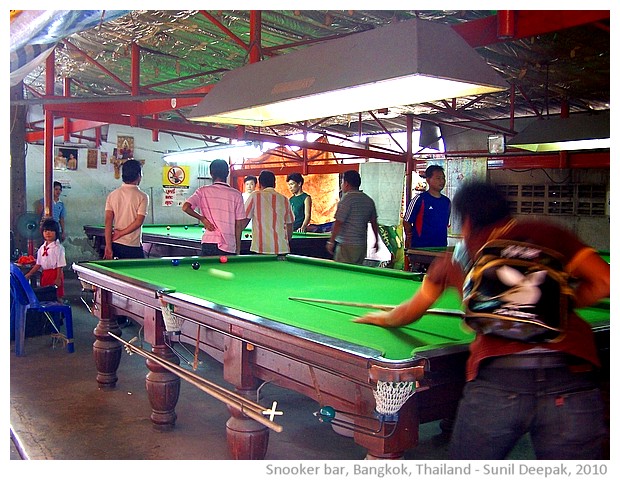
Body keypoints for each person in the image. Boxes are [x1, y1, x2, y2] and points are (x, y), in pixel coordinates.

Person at [354, 181, 610, 460]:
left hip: (500, 381)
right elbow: (605, 282)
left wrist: (382, 319)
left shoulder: (461, 256)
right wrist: (555, 304)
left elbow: (410, 312)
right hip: (572, 378)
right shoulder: (550, 233)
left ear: (466, 221)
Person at [182, 159, 246, 256]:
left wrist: (202, 219)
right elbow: (238, 225)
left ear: (211, 173)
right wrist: (238, 249)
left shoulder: (202, 191)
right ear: (227, 173)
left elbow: (186, 207)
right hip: (228, 245)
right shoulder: (236, 195)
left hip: (209, 242)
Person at [326, 170, 379, 265]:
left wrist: (331, 241)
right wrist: (376, 240)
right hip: (362, 246)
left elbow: (339, 222)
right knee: (356, 272)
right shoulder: (368, 200)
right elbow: (374, 222)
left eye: (342, 182)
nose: (341, 185)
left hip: (346, 245)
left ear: (346, 184)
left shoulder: (346, 199)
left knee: (342, 273)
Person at [104, 159, 149, 260]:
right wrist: (120, 233)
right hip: (133, 245)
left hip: (115, 243)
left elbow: (108, 222)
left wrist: (108, 246)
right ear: (138, 175)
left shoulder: (112, 195)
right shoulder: (142, 196)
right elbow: (138, 222)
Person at [243, 170, 294, 255]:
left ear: (259, 184)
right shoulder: (284, 199)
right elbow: (290, 225)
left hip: (261, 249)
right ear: (274, 184)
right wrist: (285, 241)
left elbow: (243, 220)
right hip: (282, 249)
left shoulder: (255, 196)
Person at [403, 165, 451, 250]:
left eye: (443, 178)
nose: (442, 181)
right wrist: (410, 237)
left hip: (441, 247)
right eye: (438, 178)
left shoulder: (446, 202)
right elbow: (407, 221)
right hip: (421, 248)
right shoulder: (419, 199)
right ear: (428, 180)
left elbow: (445, 223)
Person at [25, 218, 66, 300]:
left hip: (55, 274)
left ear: (56, 232)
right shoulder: (42, 248)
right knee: (45, 296)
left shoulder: (58, 248)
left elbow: (60, 265)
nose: (48, 233)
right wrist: (29, 274)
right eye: (45, 231)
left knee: (56, 297)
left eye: (51, 231)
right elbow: (38, 264)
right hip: (45, 275)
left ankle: (58, 312)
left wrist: (58, 278)